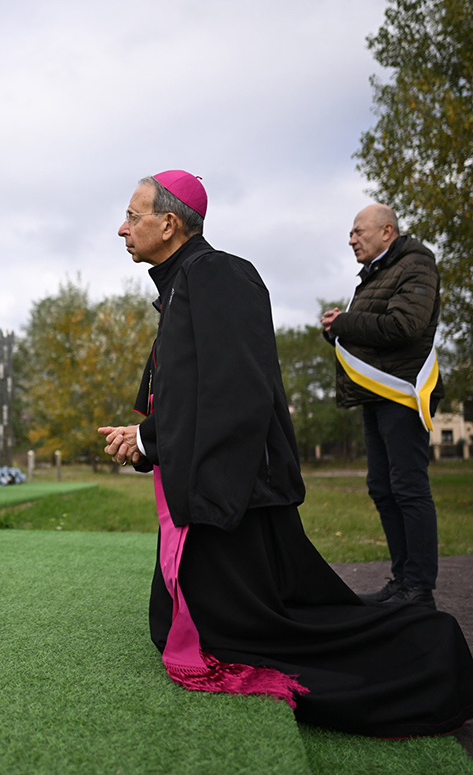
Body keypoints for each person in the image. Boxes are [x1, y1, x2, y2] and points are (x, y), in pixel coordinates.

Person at [98, 171, 473, 739]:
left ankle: (427, 651)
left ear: (169, 223)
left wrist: (153, 438)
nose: (121, 228)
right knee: (203, 625)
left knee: (264, 636)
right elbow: (187, 391)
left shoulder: (219, 273)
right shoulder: (182, 281)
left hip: (229, 494)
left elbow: (235, 392)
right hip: (210, 485)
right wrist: (146, 436)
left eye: (133, 215)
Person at [321, 204, 442, 609]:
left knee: (408, 488)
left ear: (386, 231)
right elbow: (372, 332)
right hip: (376, 395)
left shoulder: (416, 264)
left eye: (358, 231)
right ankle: (402, 579)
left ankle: (419, 589)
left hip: (402, 394)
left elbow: (403, 326)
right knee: (382, 487)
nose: (351, 239)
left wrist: (344, 323)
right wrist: (337, 332)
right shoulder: (376, 273)